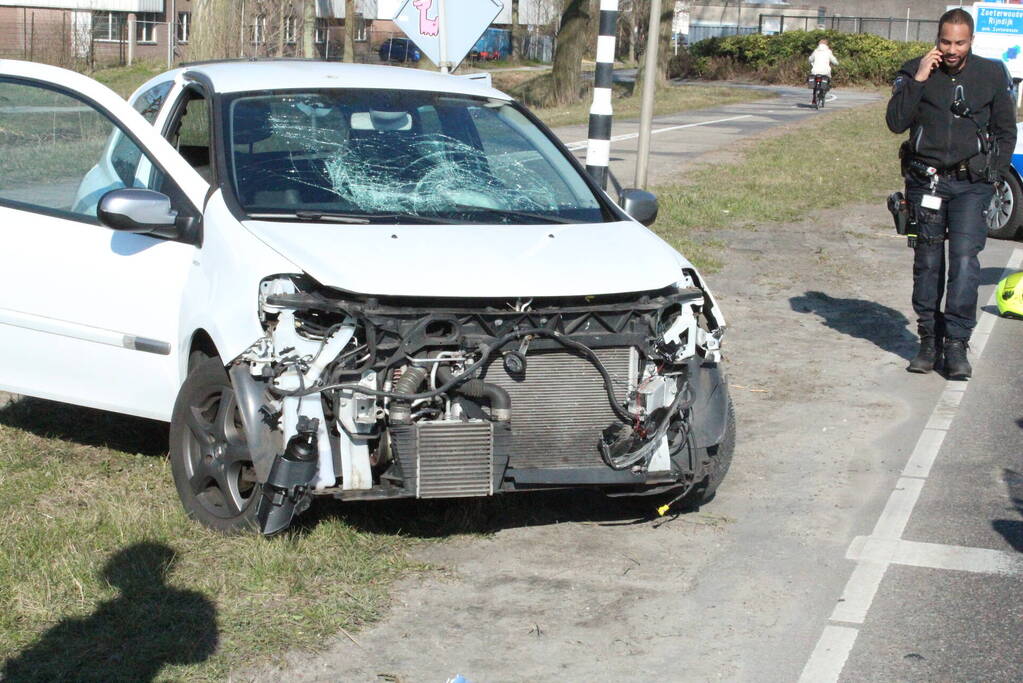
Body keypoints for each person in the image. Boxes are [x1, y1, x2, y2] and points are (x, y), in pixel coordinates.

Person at [886, 8, 1017, 379]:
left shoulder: (991, 73)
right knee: (928, 263)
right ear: (937, 39)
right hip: (925, 182)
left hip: (971, 185)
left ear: (971, 40)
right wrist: (918, 80)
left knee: (963, 261)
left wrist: (992, 174)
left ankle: (957, 343)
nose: (952, 50)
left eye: (960, 43)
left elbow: (1006, 131)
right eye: (946, 42)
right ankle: (929, 341)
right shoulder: (914, 70)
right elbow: (896, 122)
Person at [808, 38, 838, 105]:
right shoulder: (828, 51)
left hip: (815, 71)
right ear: (826, 44)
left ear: (819, 44)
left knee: (815, 84)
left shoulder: (816, 51)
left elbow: (810, 59)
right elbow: (833, 60)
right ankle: (823, 93)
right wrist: (836, 63)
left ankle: (814, 99)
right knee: (828, 81)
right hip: (825, 71)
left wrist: (810, 60)